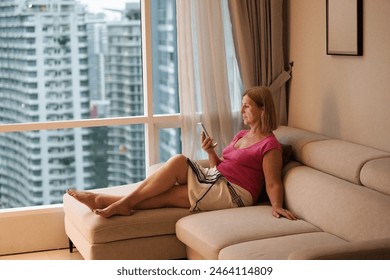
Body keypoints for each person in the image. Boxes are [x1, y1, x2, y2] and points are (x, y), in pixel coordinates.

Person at [67, 86, 297, 220]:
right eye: (243, 105)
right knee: (178, 163)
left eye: (247, 106)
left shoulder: (270, 145)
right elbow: (223, 164)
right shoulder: (241, 135)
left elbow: (273, 183)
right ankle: (117, 203)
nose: (242, 110)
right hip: (216, 177)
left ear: (263, 109)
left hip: (234, 192)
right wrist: (210, 153)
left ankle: (107, 201)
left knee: (170, 194)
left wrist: (276, 206)